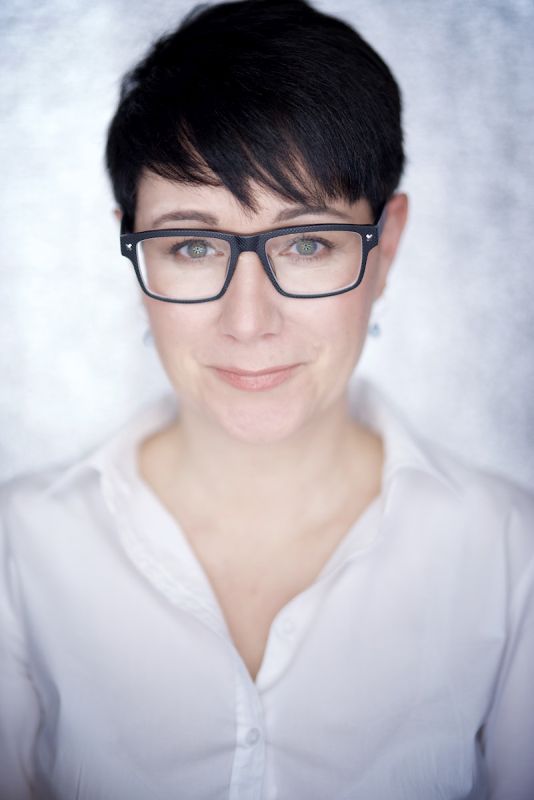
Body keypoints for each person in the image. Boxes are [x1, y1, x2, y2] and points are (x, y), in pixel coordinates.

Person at [1, 0, 533, 797]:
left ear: (385, 248)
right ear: (132, 251)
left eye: (308, 241)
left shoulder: (508, 555)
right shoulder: (19, 552)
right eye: (191, 244)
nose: (248, 321)